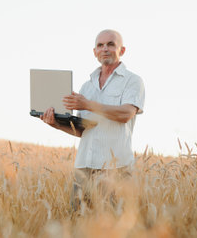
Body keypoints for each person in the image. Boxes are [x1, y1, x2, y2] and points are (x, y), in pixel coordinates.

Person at [40, 29, 145, 210]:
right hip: (84, 168)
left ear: (122, 50)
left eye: (111, 44)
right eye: (100, 45)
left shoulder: (132, 81)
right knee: (78, 223)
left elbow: (125, 114)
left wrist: (88, 105)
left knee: (113, 226)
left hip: (116, 168)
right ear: (94, 52)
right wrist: (56, 124)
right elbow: (83, 130)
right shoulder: (86, 87)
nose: (105, 48)